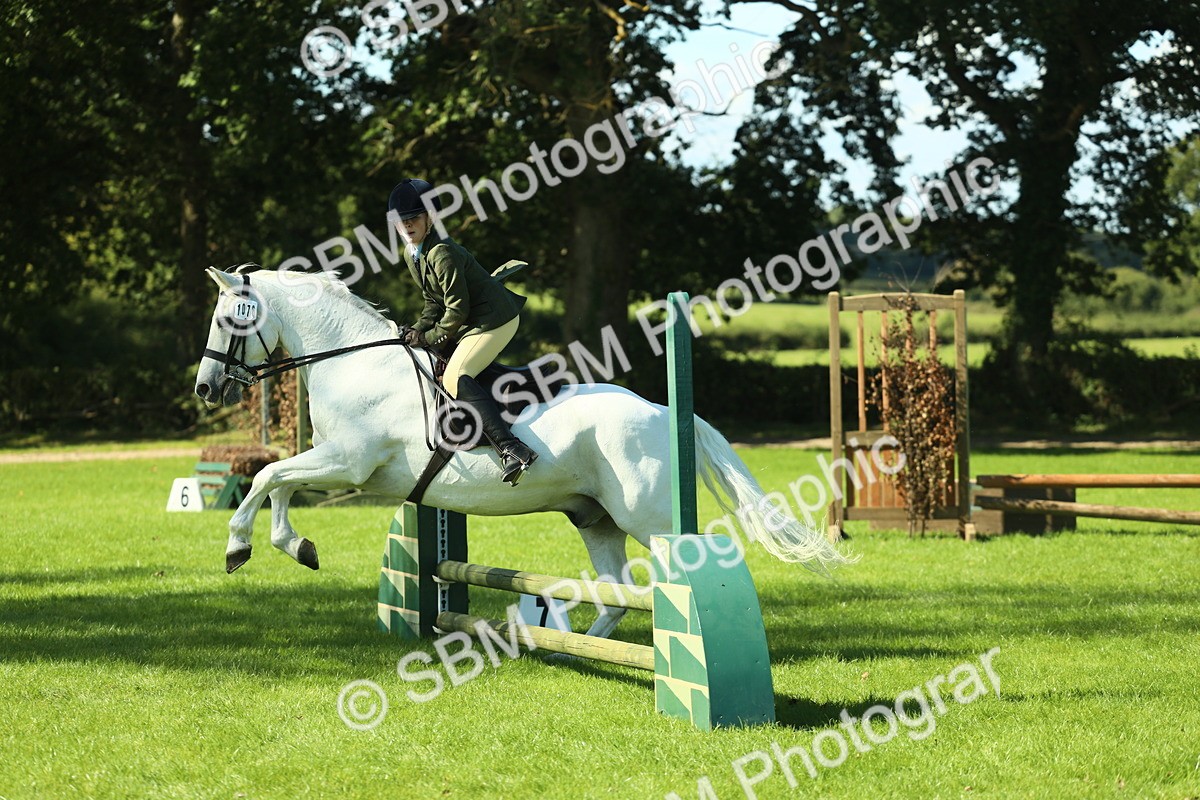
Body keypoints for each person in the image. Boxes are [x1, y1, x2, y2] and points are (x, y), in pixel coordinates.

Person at [388, 178, 538, 485]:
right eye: (400, 222)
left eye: (413, 218)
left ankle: (513, 448)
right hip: (472, 320)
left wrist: (429, 338)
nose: (406, 226)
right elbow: (433, 301)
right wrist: (416, 329)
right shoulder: (412, 254)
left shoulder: (442, 252)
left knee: (456, 376)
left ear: (431, 217)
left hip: (496, 320)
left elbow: (456, 310)